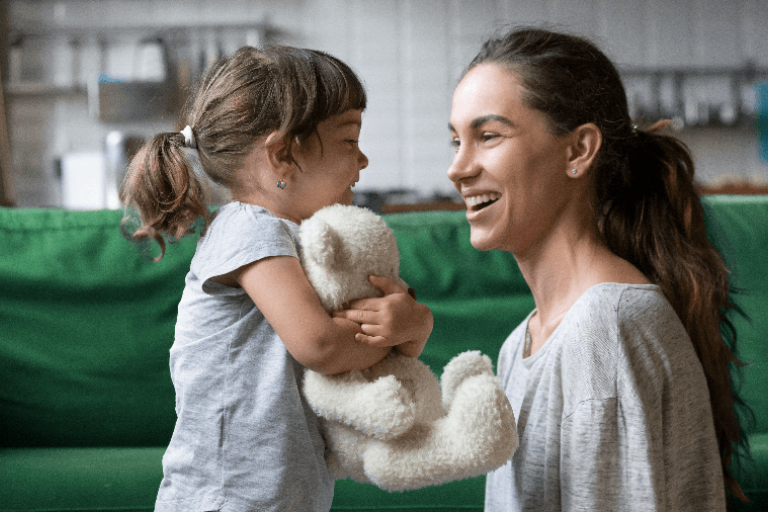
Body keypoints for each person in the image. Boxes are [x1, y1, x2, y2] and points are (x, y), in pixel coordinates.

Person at [447, 27, 750, 511]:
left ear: (578, 150)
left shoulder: (605, 327)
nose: (458, 168)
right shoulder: (520, 343)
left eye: (488, 136)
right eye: (456, 141)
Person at [120, 45, 433, 512]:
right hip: (222, 500)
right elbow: (322, 346)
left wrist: (408, 325)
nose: (363, 160)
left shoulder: (299, 241)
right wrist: (407, 328)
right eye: (350, 140)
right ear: (283, 154)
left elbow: (354, 346)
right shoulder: (249, 228)